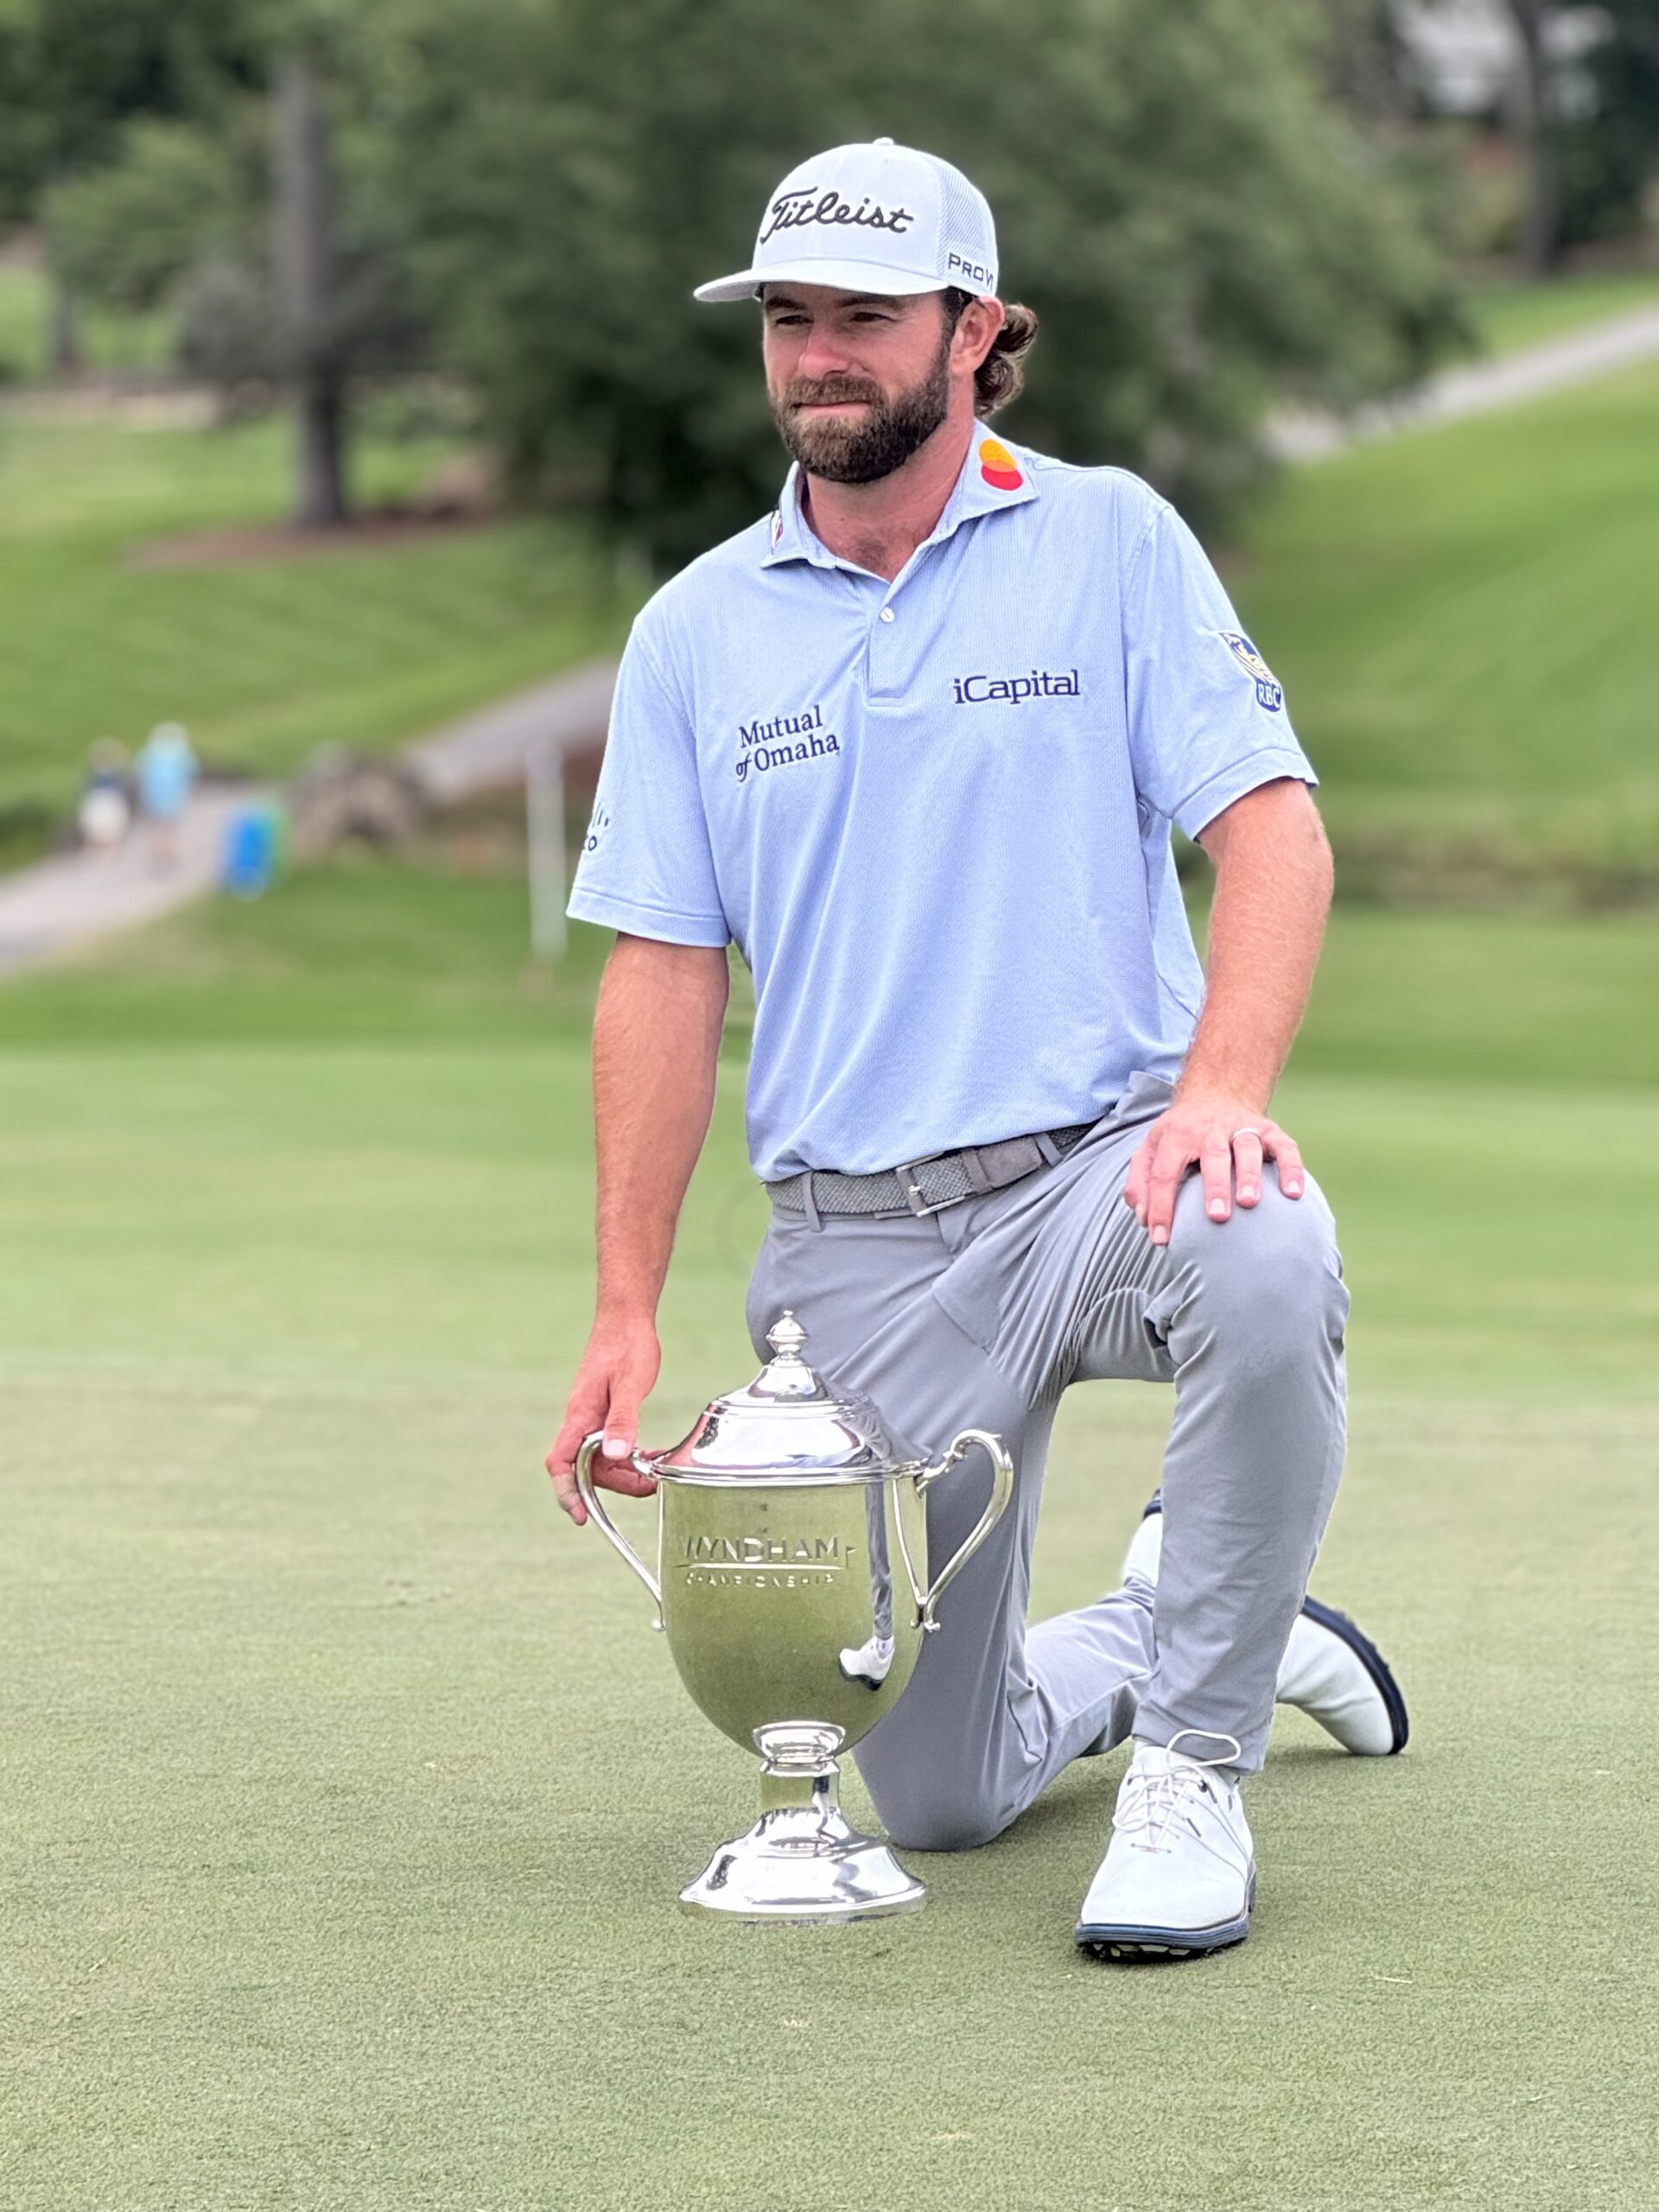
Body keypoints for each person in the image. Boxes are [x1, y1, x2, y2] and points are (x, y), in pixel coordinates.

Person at [548, 139, 1408, 1962]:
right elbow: (661, 974)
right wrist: (625, 1306)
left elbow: (1272, 828)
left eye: (867, 314)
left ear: (979, 327)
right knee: (942, 1794)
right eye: (790, 318)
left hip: (1111, 1161)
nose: (820, 356)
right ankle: (1195, 1605)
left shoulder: (1107, 539)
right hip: (857, 1249)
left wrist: (1222, 1088)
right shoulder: (694, 631)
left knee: (1267, 1245)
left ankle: (1194, 1760)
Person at [135, 721, 199, 873]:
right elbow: (192, 773)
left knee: (157, 829)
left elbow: (140, 773)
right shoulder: (182, 754)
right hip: (173, 799)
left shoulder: (150, 753)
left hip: (154, 799)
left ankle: (159, 857)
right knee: (170, 829)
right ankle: (169, 857)